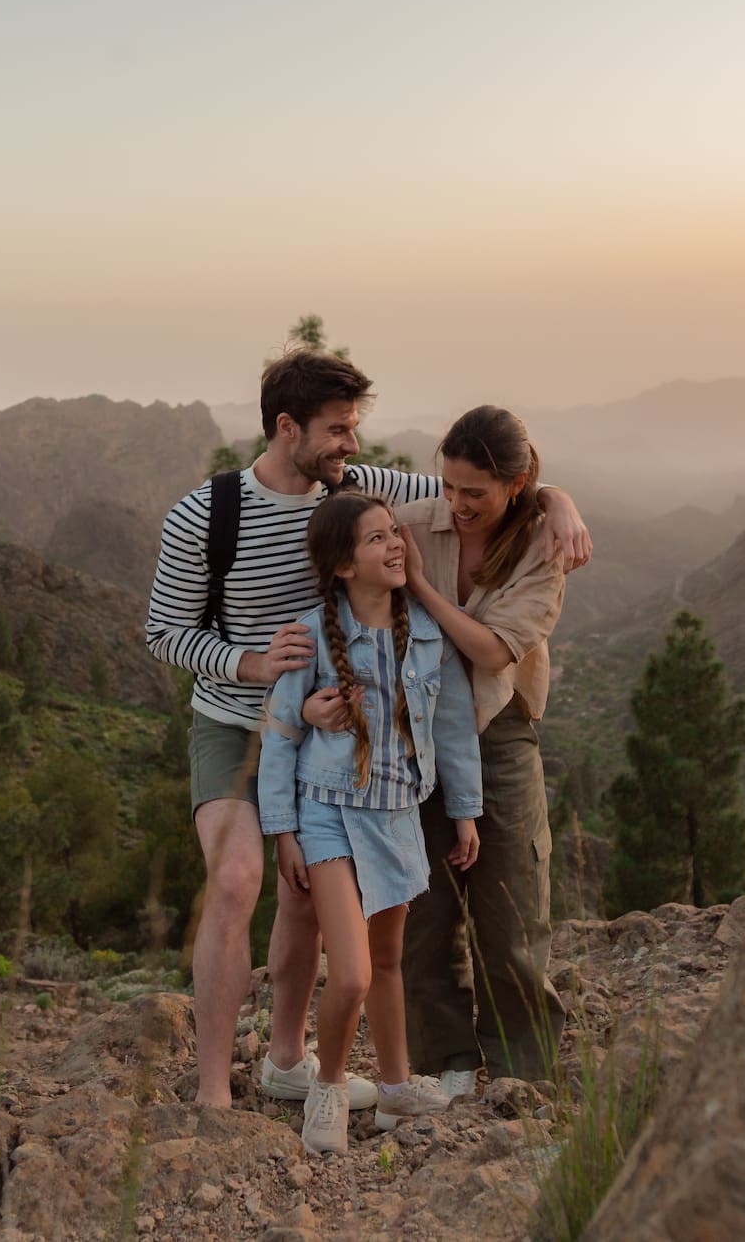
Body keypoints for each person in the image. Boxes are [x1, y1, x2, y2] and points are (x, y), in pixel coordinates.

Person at [143, 350, 593, 1108]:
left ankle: (287, 1060)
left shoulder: (360, 490)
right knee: (236, 878)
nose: (353, 444)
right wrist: (251, 664)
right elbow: (162, 632)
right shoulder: (204, 515)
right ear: (289, 429)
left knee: (304, 900)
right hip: (237, 721)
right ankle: (214, 1089)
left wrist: (559, 501)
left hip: (334, 741)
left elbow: (482, 493)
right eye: (339, 429)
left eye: (355, 428)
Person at [256, 492, 484, 1154]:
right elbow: (278, 736)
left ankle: (393, 1088)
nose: (396, 547)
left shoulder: (429, 635)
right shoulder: (310, 638)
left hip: (399, 815)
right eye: (377, 539)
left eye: (395, 534)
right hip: (326, 813)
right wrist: (284, 831)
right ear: (341, 565)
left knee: (389, 961)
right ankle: (327, 1086)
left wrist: (465, 812)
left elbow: (454, 729)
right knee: (350, 972)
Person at [395, 405, 569, 1091]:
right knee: (422, 910)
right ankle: (442, 1064)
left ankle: (521, 1070)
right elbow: (338, 503)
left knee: (512, 906)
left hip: (498, 731)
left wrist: (420, 588)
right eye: (450, 487)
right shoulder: (414, 519)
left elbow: (494, 651)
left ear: (518, 483)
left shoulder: (541, 549)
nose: (459, 505)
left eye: (477, 492)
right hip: (414, 731)